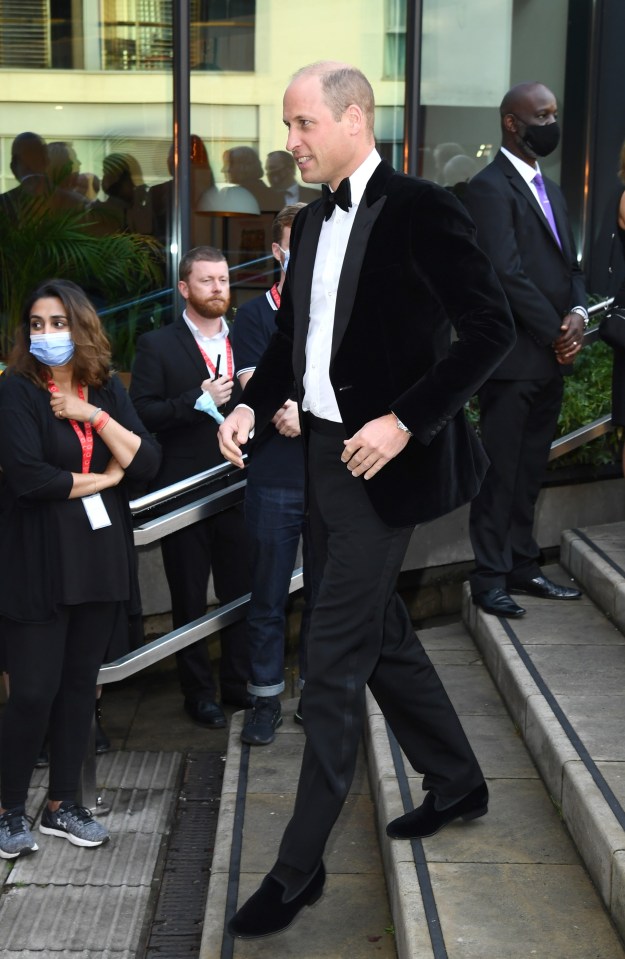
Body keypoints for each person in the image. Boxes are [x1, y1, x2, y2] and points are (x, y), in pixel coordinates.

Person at [217, 60, 515, 938]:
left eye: (302, 123)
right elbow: (293, 349)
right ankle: (457, 779)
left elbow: (490, 329)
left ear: (353, 119)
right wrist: (244, 402)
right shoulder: (309, 222)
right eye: (287, 125)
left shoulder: (425, 207)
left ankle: (297, 870)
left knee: (332, 668)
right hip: (315, 459)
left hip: (377, 469)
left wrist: (404, 421)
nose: (290, 141)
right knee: (377, 633)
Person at [0, 278, 161, 858]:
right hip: (36, 562)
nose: (46, 334)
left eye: (58, 323)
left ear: (82, 326)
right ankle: (7, 810)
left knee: (79, 692)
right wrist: (104, 479)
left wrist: (90, 414)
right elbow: (29, 477)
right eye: (37, 325)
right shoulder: (16, 392)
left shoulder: (103, 392)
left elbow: (148, 461)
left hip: (96, 561)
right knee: (32, 692)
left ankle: (62, 804)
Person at [463, 81, 586, 619]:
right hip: (513, 362)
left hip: (550, 359)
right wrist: (556, 332)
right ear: (512, 123)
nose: (551, 123)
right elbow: (505, 275)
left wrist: (579, 316)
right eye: (542, 115)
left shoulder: (553, 189)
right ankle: (488, 577)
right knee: (500, 474)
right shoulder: (488, 188)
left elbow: (570, 267)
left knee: (530, 471)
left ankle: (521, 563)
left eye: (554, 113)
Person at [130, 246, 251, 729]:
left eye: (222, 279)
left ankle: (238, 685)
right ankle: (197, 693)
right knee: (187, 596)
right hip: (182, 492)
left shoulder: (248, 338)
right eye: (206, 281)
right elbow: (141, 414)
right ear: (185, 288)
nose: (218, 288)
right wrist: (194, 400)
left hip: (241, 485)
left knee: (242, 590)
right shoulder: (156, 345)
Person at [230, 203, 313, 746]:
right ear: (279, 251)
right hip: (274, 477)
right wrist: (290, 400)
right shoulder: (256, 315)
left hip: (330, 473)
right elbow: (250, 380)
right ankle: (263, 700)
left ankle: (315, 693)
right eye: (294, 245)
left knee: (328, 594)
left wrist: (302, 407)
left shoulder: (334, 309)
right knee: (267, 593)